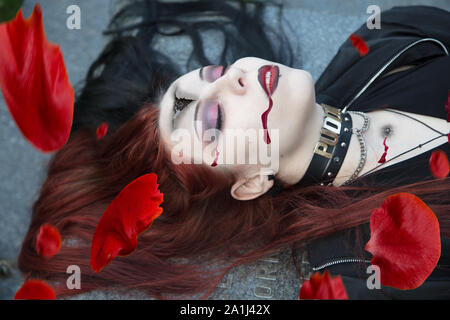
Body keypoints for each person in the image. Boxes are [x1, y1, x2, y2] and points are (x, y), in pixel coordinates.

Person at [17, 0, 450, 299]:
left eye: (214, 72)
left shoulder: (392, 38)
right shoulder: (371, 274)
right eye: (215, 120)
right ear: (251, 183)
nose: (235, 78)